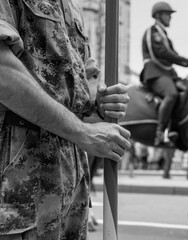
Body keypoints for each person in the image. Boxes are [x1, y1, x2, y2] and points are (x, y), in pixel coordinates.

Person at [0, 1, 131, 240]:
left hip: (71, 180)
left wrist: (99, 102)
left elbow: (82, 85)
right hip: (16, 178)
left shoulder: (71, 6)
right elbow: (3, 73)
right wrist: (83, 132)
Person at [140, 1, 188, 146]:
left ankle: (174, 129)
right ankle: (160, 133)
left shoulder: (164, 35)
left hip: (166, 72)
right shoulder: (153, 32)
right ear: (158, 15)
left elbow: (171, 54)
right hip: (155, 72)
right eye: (168, 14)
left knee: (184, 91)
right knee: (171, 94)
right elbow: (163, 53)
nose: (170, 18)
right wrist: (187, 62)